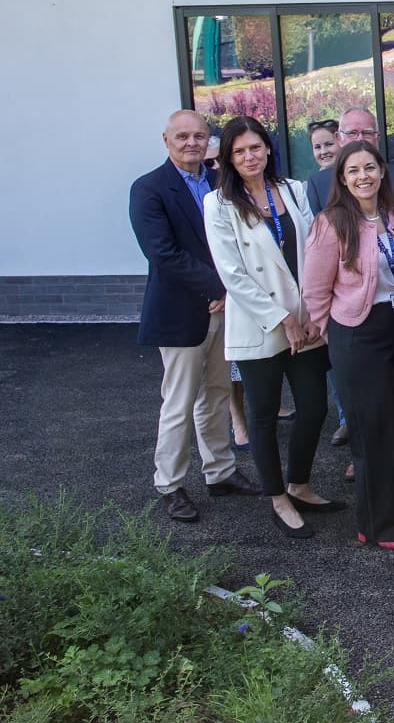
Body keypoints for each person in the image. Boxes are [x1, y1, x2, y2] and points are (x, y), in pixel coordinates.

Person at [204, 116, 340, 539]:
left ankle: (299, 483)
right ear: (229, 156)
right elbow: (233, 274)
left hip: (306, 319)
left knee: (314, 406)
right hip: (261, 323)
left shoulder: (294, 190)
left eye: (256, 147)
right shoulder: (219, 204)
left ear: (268, 149)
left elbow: (317, 250)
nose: (250, 156)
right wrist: (281, 319)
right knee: (262, 416)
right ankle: (277, 496)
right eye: (240, 150)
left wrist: (313, 312)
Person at [129, 110, 257, 523]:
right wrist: (219, 287)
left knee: (218, 393)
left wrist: (228, 291)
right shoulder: (149, 188)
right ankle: (169, 484)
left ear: (210, 142)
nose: (191, 143)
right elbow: (162, 253)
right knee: (179, 401)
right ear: (166, 139)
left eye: (199, 137)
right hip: (184, 311)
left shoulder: (221, 183)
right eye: (182, 136)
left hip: (224, 309)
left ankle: (220, 473)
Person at [301, 141, 394, 549]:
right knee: (376, 429)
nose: (363, 177)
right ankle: (378, 525)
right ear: (342, 178)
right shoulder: (331, 223)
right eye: (353, 171)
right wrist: (332, 335)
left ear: (383, 171)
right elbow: (315, 293)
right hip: (359, 333)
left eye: (370, 167)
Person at [307, 108, 394, 214]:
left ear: (377, 138)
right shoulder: (318, 184)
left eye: (367, 133)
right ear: (338, 138)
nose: (360, 138)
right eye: (352, 133)